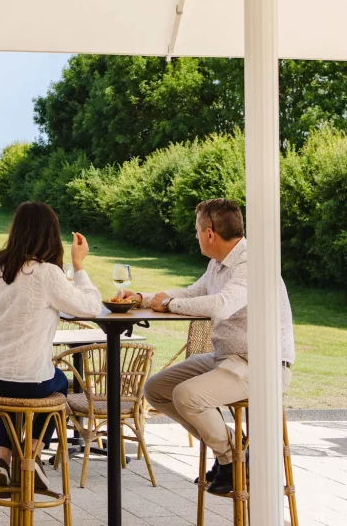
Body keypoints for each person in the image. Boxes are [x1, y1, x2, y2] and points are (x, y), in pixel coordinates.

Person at [121, 198, 295, 494]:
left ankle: (231, 461)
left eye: (197, 230)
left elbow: (221, 305)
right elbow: (193, 293)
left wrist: (170, 304)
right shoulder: (218, 264)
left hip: (262, 364)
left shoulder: (252, 263)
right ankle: (235, 447)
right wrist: (143, 298)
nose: (196, 235)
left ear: (210, 233)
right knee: (156, 389)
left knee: (187, 395)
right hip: (226, 357)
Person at [0, 201, 103, 492]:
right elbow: (91, 307)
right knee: (57, 383)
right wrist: (79, 264)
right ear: (50, 235)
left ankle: (3, 458)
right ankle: (32, 455)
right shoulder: (46, 273)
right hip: (24, 379)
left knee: (14, 386)